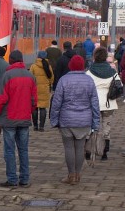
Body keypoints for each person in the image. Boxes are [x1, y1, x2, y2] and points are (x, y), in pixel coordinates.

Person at [50, 55, 100, 185]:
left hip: (67, 120)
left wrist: (54, 120)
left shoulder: (63, 80)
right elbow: (95, 103)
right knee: (80, 148)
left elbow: (56, 103)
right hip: (84, 120)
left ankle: (71, 175)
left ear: (70, 65)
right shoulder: (89, 80)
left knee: (68, 148)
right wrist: (96, 123)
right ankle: (77, 175)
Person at [0, 50, 37, 187]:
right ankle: (24, 179)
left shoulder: (7, 76)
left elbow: (1, 98)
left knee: (9, 150)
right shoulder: (30, 76)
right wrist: (28, 112)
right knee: (23, 150)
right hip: (24, 119)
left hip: (9, 119)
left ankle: (12, 179)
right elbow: (34, 100)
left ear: (11, 60)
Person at [86, 47, 119, 161]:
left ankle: (89, 150)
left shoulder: (89, 71)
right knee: (106, 127)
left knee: (91, 126)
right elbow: (118, 85)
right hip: (108, 103)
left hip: (92, 103)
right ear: (105, 57)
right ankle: (104, 152)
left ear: (95, 57)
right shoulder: (112, 72)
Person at [29, 50, 53, 131]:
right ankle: (42, 126)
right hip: (45, 90)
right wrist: (48, 84)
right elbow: (51, 78)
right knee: (43, 108)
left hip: (35, 89)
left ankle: (35, 126)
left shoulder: (33, 66)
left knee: (35, 107)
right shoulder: (48, 66)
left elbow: (30, 78)